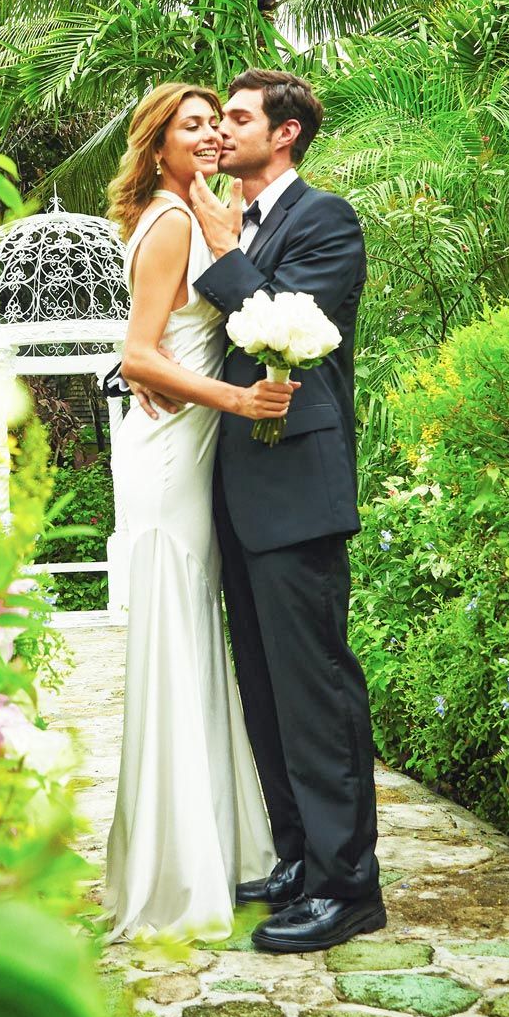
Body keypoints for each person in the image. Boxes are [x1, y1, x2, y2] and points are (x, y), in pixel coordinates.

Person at [122, 69, 382, 954]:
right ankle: (300, 858)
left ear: (287, 134)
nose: (220, 133)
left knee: (315, 689)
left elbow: (287, 323)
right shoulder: (211, 220)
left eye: (236, 119)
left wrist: (226, 250)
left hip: (299, 489)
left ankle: (349, 888)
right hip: (228, 485)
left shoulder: (326, 221)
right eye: (213, 120)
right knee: (265, 690)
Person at [99, 82, 290, 943]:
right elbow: (141, 352)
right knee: (179, 635)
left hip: (184, 441)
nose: (211, 134)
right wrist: (237, 400)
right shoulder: (172, 220)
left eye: (219, 122)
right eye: (194, 125)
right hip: (175, 450)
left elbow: (144, 349)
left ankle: (207, 849)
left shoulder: (181, 212)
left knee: (188, 637)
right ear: (160, 142)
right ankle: (179, 871)